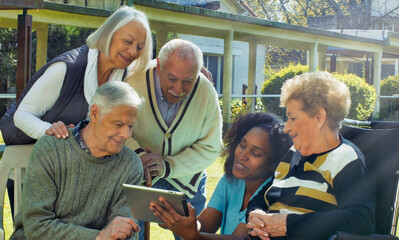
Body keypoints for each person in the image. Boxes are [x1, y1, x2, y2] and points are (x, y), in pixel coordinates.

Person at [246, 72, 375, 240]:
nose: (286, 128)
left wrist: (288, 225)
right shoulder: (294, 153)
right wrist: (256, 214)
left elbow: (361, 218)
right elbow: (264, 195)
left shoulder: (345, 159)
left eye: (292, 118)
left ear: (319, 117)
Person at [10, 81, 144, 240]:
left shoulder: (130, 164)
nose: (126, 135)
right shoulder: (51, 149)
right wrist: (97, 237)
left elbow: (122, 232)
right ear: (94, 113)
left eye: (130, 126)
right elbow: (36, 227)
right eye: (118, 124)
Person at [0, 6, 152, 145]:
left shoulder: (125, 76)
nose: (133, 52)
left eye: (139, 47)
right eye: (127, 41)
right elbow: (22, 115)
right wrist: (49, 130)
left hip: (69, 163)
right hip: (24, 151)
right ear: (109, 34)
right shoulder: (66, 69)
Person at [124, 39, 223, 239]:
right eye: (171, 79)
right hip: (139, 178)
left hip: (188, 180)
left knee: (192, 237)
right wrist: (139, 155)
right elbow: (115, 127)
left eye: (188, 81)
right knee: (132, 235)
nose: (178, 90)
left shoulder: (206, 91)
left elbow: (211, 147)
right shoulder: (132, 81)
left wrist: (167, 166)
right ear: (159, 66)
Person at [149, 112, 292, 240]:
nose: (242, 155)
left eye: (255, 153)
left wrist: (193, 235)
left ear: (273, 163)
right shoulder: (231, 181)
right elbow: (204, 225)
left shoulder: (272, 194)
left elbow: (239, 238)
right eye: (242, 145)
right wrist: (181, 221)